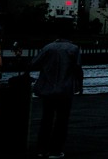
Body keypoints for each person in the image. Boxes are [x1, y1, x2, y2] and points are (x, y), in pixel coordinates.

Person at [30, 31, 83, 159]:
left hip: (48, 89)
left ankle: (41, 149)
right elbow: (77, 69)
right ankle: (55, 150)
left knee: (46, 119)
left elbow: (34, 63)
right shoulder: (74, 49)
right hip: (65, 90)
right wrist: (79, 85)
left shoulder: (48, 47)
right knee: (62, 121)